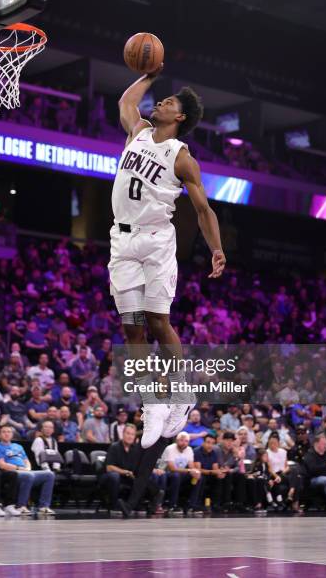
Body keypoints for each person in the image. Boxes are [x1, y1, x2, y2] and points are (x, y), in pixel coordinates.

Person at [109, 65, 225, 447]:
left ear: (180, 117)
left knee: (158, 321)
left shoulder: (182, 157)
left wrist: (217, 250)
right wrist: (148, 75)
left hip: (157, 240)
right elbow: (126, 102)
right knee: (131, 325)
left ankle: (180, 392)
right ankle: (151, 401)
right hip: (122, 241)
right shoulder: (138, 131)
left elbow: (204, 210)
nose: (160, 102)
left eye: (169, 102)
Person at [0, 424, 55, 515]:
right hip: (11, 473)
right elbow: (2, 465)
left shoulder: (18, 446)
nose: (6, 434)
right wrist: (19, 468)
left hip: (25, 471)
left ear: (12, 434)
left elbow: (26, 461)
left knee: (49, 475)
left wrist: (27, 468)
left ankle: (43, 506)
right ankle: (21, 506)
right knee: (28, 475)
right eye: (4, 432)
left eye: (9, 432)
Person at [101, 424, 161, 514]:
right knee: (115, 477)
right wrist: (125, 472)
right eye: (128, 433)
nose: (130, 436)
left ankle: (141, 503)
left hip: (129, 476)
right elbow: (109, 468)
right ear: (123, 434)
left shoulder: (136, 449)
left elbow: (140, 466)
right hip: (111, 476)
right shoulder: (114, 447)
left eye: (132, 434)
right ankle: (114, 505)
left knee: (142, 477)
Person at [161, 431, 203, 515]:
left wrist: (195, 472)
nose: (184, 443)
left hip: (181, 473)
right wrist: (189, 471)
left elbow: (191, 466)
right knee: (176, 476)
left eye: (186, 441)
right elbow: (172, 468)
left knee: (198, 477)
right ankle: (172, 505)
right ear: (176, 440)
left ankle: (191, 505)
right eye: (181, 440)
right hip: (166, 473)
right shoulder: (170, 448)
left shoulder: (189, 450)